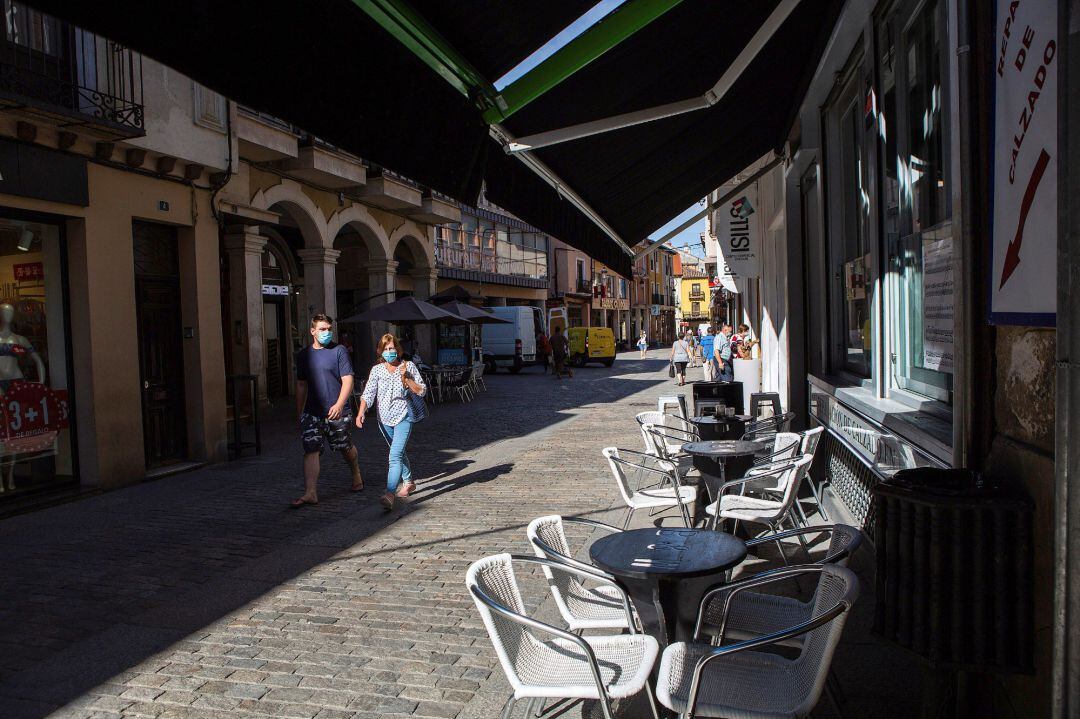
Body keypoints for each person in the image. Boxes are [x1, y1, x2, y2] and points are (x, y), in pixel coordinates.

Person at [292, 314, 362, 508]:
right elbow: (301, 384)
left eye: (329, 329)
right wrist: (300, 412)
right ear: (312, 331)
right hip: (313, 412)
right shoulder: (304, 355)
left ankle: (355, 471)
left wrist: (339, 404)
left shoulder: (339, 351)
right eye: (322, 329)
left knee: (344, 445)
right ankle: (310, 492)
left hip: (337, 410)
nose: (327, 332)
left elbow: (348, 380)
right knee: (311, 449)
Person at [357, 333, 427, 511]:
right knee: (398, 452)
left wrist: (407, 378)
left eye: (392, 348)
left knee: (394, 455)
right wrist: (361, 412)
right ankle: (409, 482)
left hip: (404, 416)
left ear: (398, 349)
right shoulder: (377, 370)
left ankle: (389, 493)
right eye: (386, 349)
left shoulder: (408, 366)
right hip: (384, 419)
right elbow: (368, 393)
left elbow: (422, 391)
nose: (389, 352)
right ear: (381, 351)